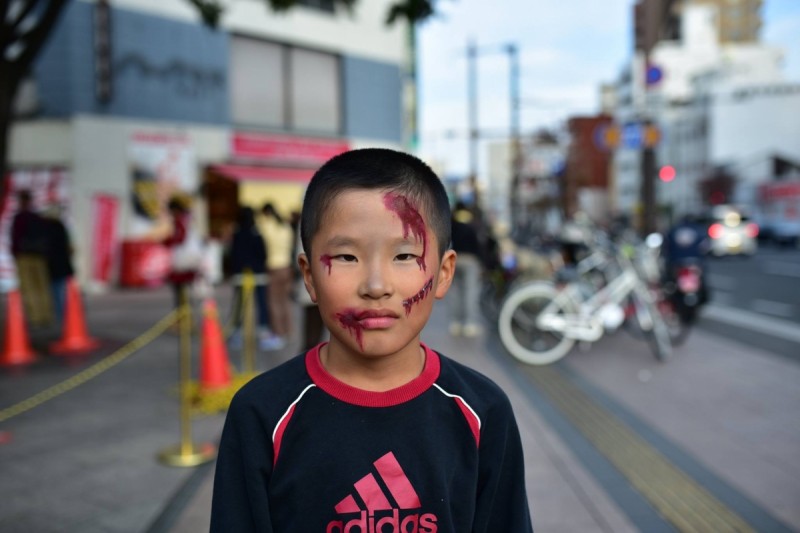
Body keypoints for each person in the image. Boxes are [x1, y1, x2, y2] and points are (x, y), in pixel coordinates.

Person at [210, 148, 533, 532]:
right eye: (346, 257)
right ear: (309, 276)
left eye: (404, 255)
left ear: (444, 273)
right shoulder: (262, 413)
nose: (376, 286)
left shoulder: (483, 412)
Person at [228, 206, 285, 351]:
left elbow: (232, 255)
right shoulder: (257, 234)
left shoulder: (237, 234)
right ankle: (264, 334)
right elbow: (263, 254)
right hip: (258, 274)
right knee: (261, 304)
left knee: (239, 305)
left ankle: (237, 333)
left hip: (240, 275)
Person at [10, 190, 53, 327]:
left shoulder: (19, 218)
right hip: (39, 256)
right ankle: (46, 315)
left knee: (28, 287)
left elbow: (16, 239)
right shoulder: (38, 217)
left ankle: (34, 317)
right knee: (42, 286)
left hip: (24, 257)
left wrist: (15, 253)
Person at [258, 202, 294, 345]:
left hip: (273, 267)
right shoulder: (285, 226)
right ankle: (287, 330)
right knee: (284, 301)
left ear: (266, 213)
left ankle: (277, 333)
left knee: (273, 302)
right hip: (287, 267)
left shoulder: (266, 227)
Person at [448, 201, 485, 337]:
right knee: (470, 293)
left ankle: (455, 323)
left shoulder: (452, 222)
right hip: (470, 260)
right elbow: (478, 243)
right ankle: (469, 324)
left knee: (455, 292)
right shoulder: (472, 222)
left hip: (455, 259)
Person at [162, 195, 201, 313]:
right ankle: (184, 313)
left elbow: (180, 238)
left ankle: (182, 314)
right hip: (192, 258)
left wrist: (167, 242)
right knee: (185, 287)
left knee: (179, 287)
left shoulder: (180, 220)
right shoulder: (189, 218)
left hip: (184, 260)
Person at [42, 205, 75, 326]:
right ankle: (66, 316)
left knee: (57, 293)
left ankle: (63, 317)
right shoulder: (60, 227)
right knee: (61, 292)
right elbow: (69, 248)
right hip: (62, 266)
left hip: (54, 267)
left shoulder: (49, 229)